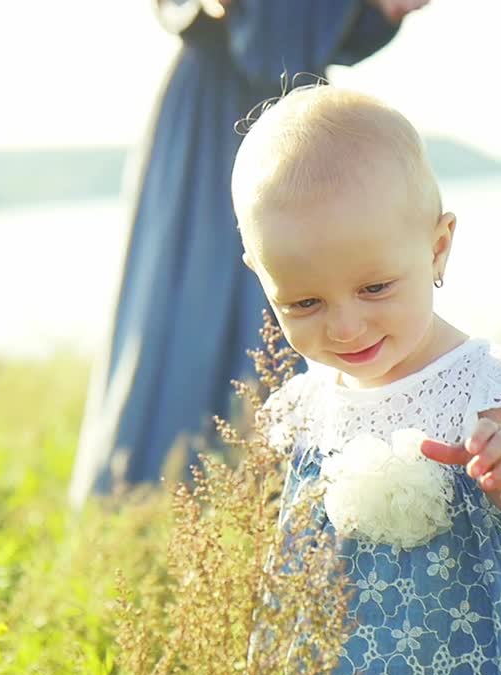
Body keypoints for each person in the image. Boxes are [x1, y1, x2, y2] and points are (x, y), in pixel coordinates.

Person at [235, 85, 501, 675]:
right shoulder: (309, 406)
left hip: (485, 673)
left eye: (375, 287)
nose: (345, 328)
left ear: (438, 247)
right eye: (303, 302)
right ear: (262, 274)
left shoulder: (485, 382)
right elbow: (293, 571)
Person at [69, 0, 430, 505]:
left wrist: (384, 11)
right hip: (218, 116)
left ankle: (291, 488)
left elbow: (323, 36)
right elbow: (265, 47)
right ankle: (153, 494)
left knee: (318, 293)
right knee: (193, 292)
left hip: (296, 124)